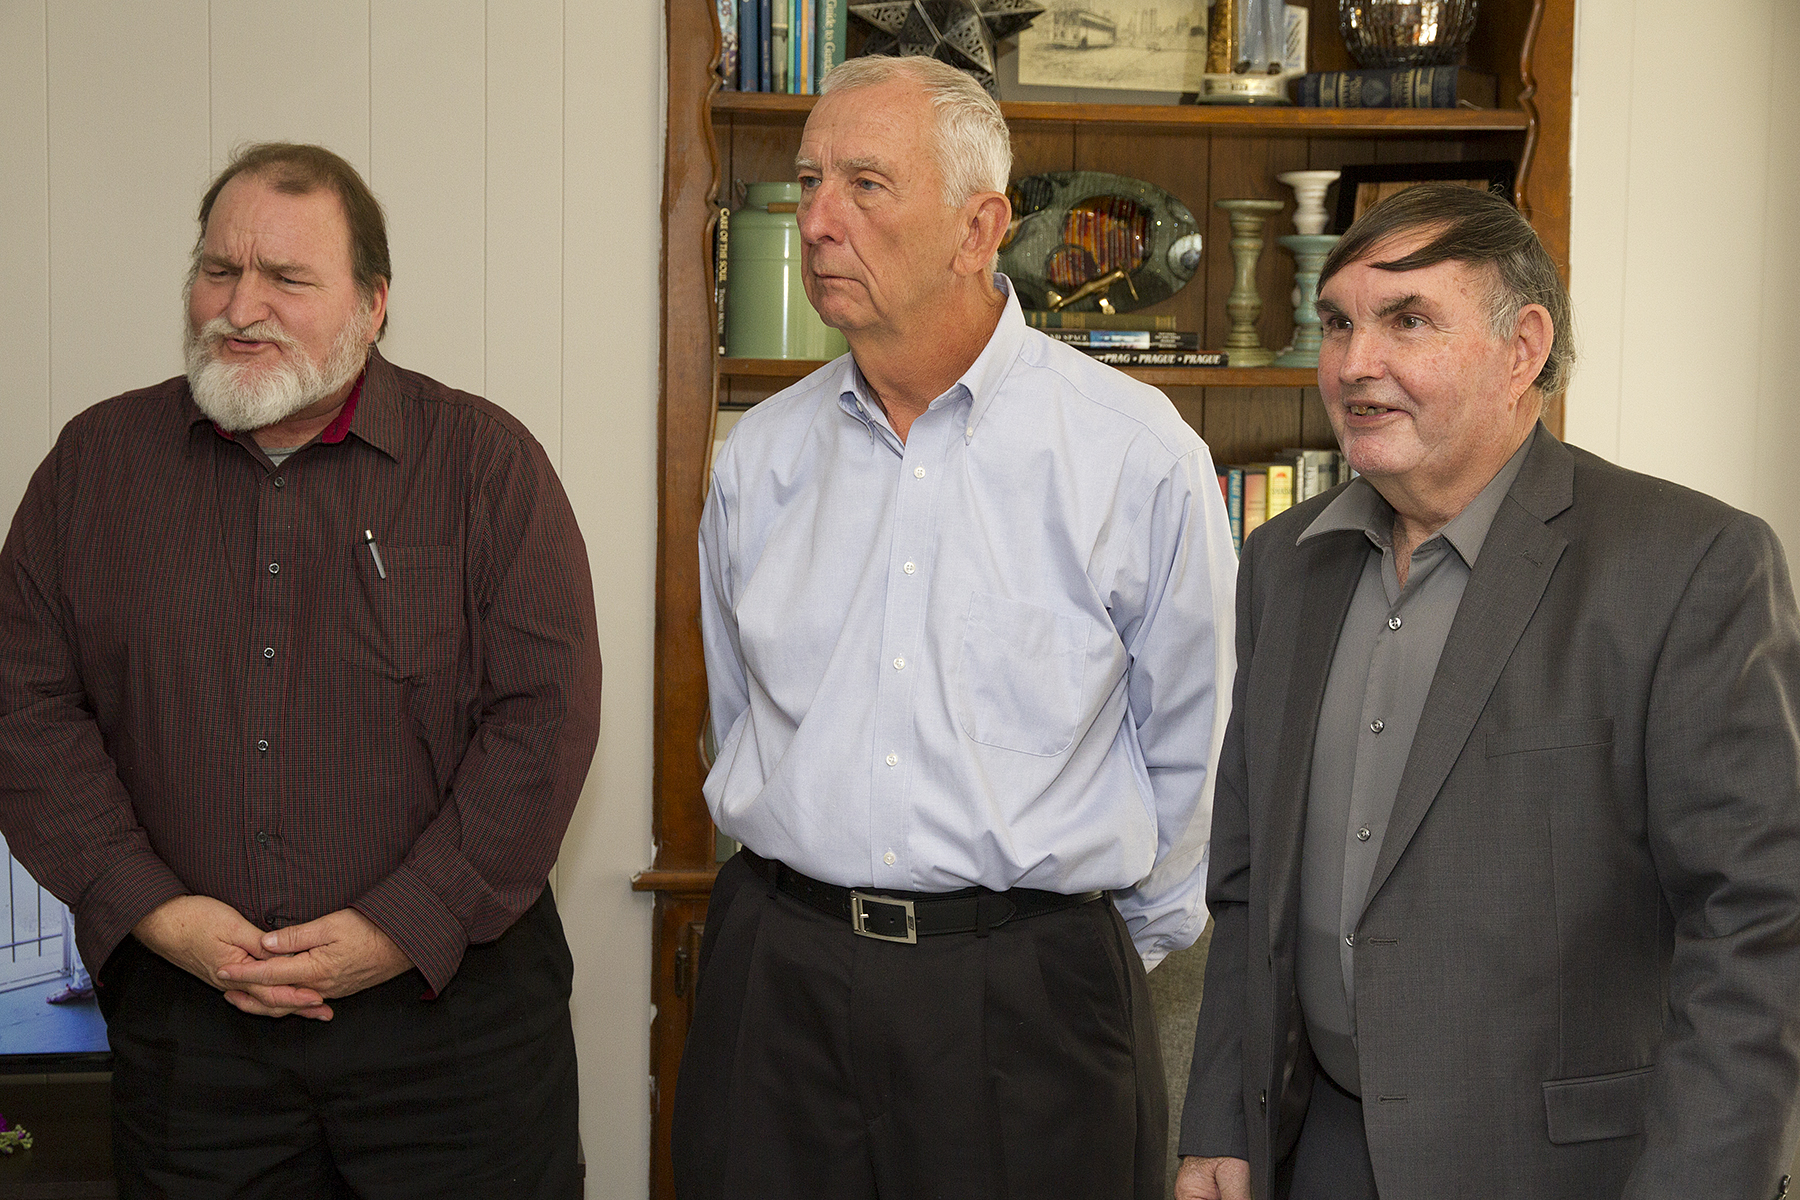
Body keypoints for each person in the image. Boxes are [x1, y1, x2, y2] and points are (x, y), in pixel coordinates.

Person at [673, 54, 1238, 1200]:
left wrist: (1054, 955)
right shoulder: (759, 458)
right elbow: (743, 718)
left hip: (1029, 1001)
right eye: (809, 181)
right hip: (779, 986)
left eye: (865, 184)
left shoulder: (1133, 457)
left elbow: (1200, 758)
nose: (816, 220)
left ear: (981, 229)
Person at [1177, 183, 1800, 1200]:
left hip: (1569, 1172)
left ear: (1523, 349)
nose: (1355, 363)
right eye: (1339, 323)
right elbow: (1248, 891)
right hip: (1316, 1153)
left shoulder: (1691, 566)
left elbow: (1761, 930)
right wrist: (1218, 1123)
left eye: (1407, 320)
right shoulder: (1283, 565)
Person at [0, 142, 601, 1196]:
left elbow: (542, 725)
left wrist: (399, 928)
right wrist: (152, 910)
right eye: (218, 270)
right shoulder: (93, 468)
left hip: (453, 1036)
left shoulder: (485, 466)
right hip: (193, 1043)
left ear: (373, 305)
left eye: (286, 277)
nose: (241, 308)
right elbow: (25, 709)